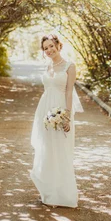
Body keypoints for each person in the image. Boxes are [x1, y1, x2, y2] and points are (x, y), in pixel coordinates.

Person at [30, 34, 83, 208]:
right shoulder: (47, 66)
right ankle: (50, 192)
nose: (49, 50)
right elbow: (47, 90)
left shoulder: (69, 66)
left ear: (58, 45)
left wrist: (67, 116)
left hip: (61, 110)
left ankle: (64, 195)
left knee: (61, 151)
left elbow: (69, 92)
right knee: (47, 151)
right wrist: (43, 115)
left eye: (51, 46)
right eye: (45, 48)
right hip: (44, 111)